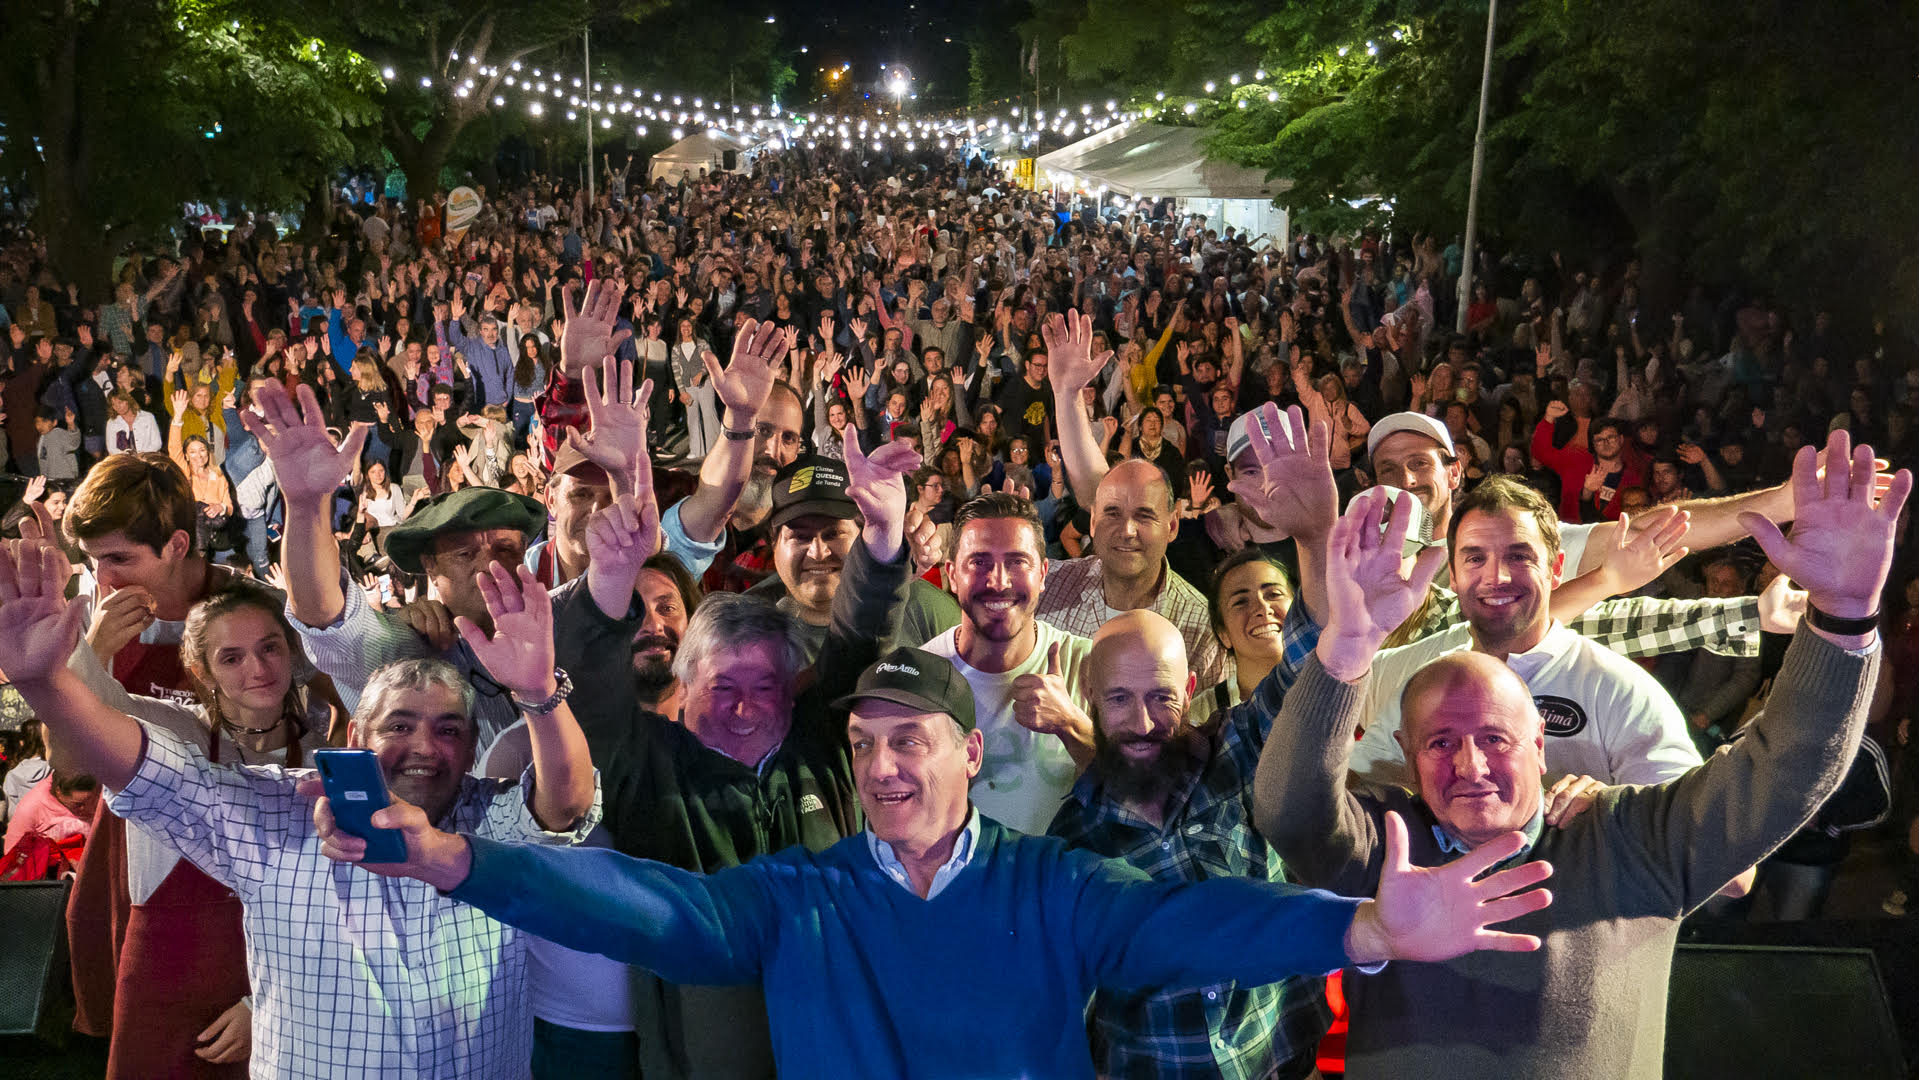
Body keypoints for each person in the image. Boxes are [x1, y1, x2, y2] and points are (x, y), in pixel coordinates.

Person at [315, 641, 1556, 1080]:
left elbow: (1194, 922)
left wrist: (1365, 931)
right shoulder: (798, 897)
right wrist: (459, 862)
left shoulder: (1050, 885)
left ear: (970, 754)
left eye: (912, 741)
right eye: (863, 745)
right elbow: (653, 911)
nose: (884, 767)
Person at [1251, 429, 1903, 1078]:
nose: (1470, 767)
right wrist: (1343, 642)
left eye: (1495, 740)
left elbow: (1783, 772)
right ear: (1406, 749)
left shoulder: (1627, 836)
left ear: (1540, 743)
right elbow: (1288, 808)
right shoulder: (1388, 841)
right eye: (1441, 742)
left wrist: (1845, 615)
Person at [0, 532, 601, 1080]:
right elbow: (145, 769)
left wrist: (539, 691)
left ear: (472, 746)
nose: (425, 747)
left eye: (449, 729)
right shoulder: (280, 806)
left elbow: (567, 807)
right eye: (400, 725)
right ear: (357, 739)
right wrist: (42, 682)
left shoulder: (491, 815)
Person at [535, 431, 923, 1078]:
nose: (745, 710)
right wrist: (608, 576)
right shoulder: (645, 764)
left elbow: (858, 640)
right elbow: (591, 690)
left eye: (765, 687)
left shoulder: (821, 750)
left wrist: (882, 537)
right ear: (685, 686)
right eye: (722, 688)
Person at [1049, 609, 1330, 1079]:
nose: (1142, 723)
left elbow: (1305, 672)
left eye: (1161, 697)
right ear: (1089, 694)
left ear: (1190, 688)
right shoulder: (1068, 843)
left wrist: (1317, 547)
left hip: (1285, 1058)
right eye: (1119, 698)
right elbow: (1066, 1003)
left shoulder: (1235, 753)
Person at [251, 380, 549, 747]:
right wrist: (307, 507)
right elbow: (326, 616)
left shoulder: (558, 628)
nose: (489, 565)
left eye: (505, 550)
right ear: (430, 567)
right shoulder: (411, 649)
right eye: (464, 553)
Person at [1041, 311, 1225, 684]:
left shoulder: (1200, 628)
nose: (1126, 530)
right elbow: (1094, 483)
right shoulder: (1047, 590)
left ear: (1172, 524)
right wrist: (1065, 393)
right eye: (1111, 514)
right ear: (1092, 521)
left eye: (1145, 515)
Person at [922, 492, 1097, 834]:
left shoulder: (1088, 664)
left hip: (1062, 883)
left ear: (1043, 574)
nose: (999, 581)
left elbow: (1143, 797)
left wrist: (1073, 726)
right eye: (979, 562)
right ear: (951, 575)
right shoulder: (922, 675)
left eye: (1017, 562)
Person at [747, 453, 958, 660]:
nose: (819, 552)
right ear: (773, 542)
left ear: (863, 535)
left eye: (833, 534)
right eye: (800, 537)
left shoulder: (924, 607)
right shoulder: (741, 626)